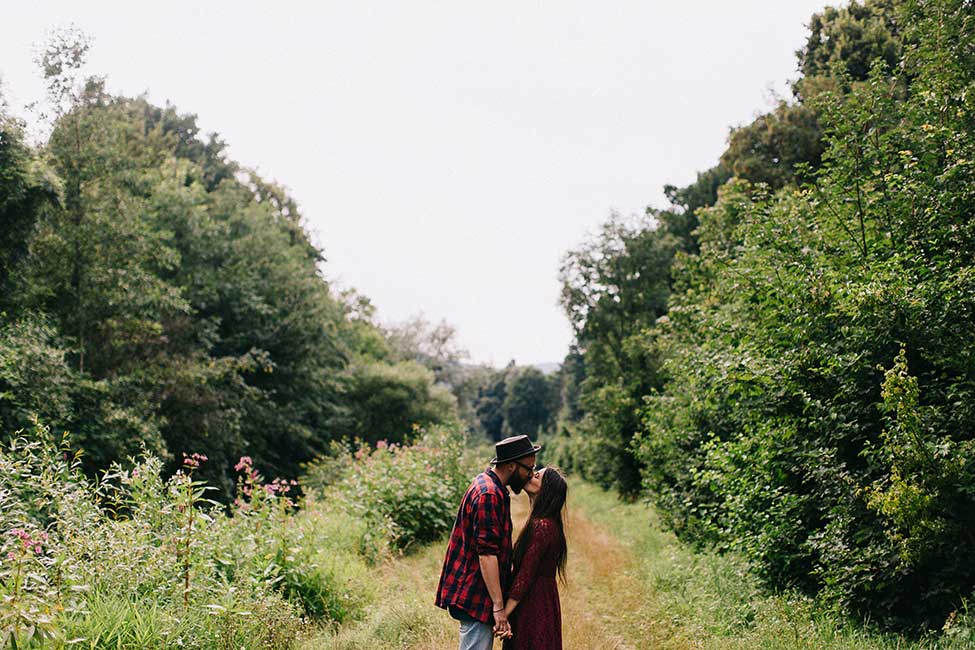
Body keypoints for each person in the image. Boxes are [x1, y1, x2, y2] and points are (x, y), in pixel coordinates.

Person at [436, 434, 541, 650]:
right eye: (528, 468)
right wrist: (498, 607)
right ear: (511, 465)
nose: (530, 475)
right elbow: (486, 554)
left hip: (478, 592)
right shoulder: (489, 495)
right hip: (475, 594)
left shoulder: (489, 485)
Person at [501, 467, 568, 650]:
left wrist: (503, 614)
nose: (531, 475)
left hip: (533, 602)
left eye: (537, 475)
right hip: (540, 599)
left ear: (545, 488)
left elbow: (525, 574)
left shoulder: (542, 526)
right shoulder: (545, 522)